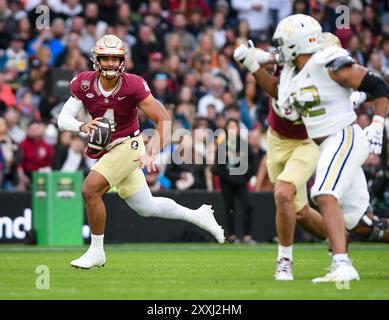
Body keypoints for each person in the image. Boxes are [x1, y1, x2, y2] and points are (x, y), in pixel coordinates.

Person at [234, 14, 389, 282]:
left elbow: (377, 85)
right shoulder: (293, 74)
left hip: (343, 137)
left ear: (296, 44)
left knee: (323, 193)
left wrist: (377, 122)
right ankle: (344, 259)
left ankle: (342, 265)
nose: (278, 50)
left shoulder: (327, 61)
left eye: (283, 43)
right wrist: (253, 62)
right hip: (326, 142)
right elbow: (282, 95)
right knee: (360, 223)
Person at [57, 35, 224, 269]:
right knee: (147, 207)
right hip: (110, 150)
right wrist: (81, 126)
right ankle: (197, 215)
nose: (110, 64)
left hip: (129, 145)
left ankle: (96, 252)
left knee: (90, 189)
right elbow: (63, 119)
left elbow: (164, 119)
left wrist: (153, 151)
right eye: (105, 58)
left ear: (123, 60)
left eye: (115, 59)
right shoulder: (83, 83)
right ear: (96, 59)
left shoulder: (132, 84)